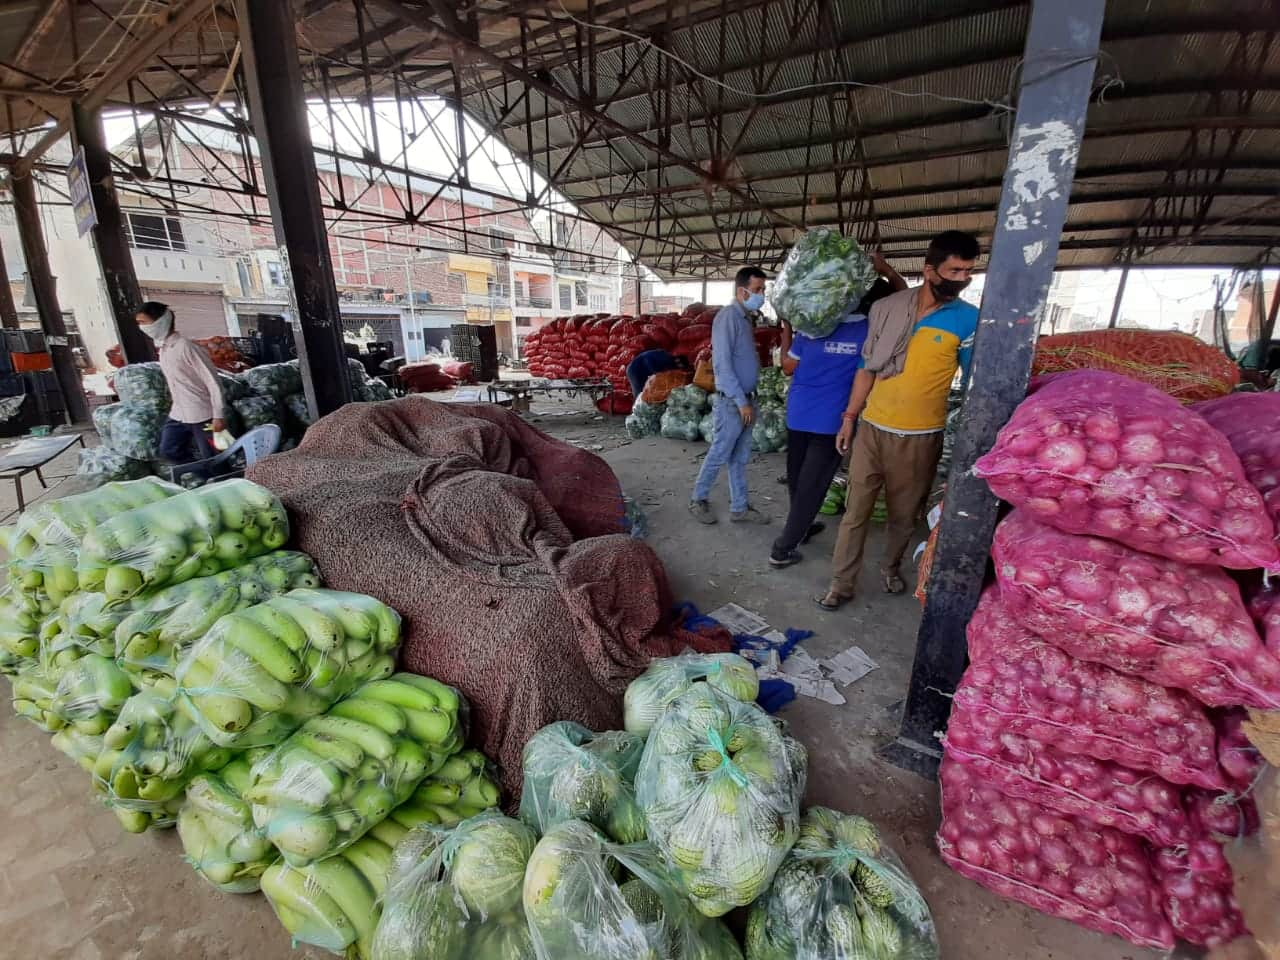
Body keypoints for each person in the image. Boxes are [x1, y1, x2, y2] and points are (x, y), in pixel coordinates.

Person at [818, 230, 980, 609]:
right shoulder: (888, 308)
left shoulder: (969, 321)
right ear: (929, 270)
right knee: (854, 512)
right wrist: (849, 418)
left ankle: (890, 567)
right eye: (953, 270)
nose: (961, 280)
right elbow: (866, 368)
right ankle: (841, 583)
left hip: (920, 438)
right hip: (872, 430)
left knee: (904, 515)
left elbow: (977, 381)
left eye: (968, 272)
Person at [769, 253, 906, 567]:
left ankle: (799, 529)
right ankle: (782, 548)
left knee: (798, 477)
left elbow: (787, 366)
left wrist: (787, 326)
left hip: (799, 413)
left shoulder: (814, 327)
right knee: (814, 486)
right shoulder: (869, 332)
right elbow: (903, 298)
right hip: (832, 420)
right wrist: (885, 268)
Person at [689, 266, 771, 525]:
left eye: (763, 290)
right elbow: (722, 365)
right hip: (733, 401)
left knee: (739, 456)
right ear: (742, 291)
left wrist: (748, 399)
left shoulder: (746, 318)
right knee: (720, 452)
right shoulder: (728, 318)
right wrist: (740, 401)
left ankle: (740, 507)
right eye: (758, 290)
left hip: (747, 398)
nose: (762, 294)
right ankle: (698, 499)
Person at [134, 301, 226, 470]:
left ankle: (227, 484)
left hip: (204, 416)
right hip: (178, 414)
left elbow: (213, 381)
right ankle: (206, 477)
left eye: (144, 322)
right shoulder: (163, 349)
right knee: (168, 450)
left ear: (160, 322)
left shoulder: (186, 347)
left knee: (216, 459)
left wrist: (219, 416)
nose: (141, 327)